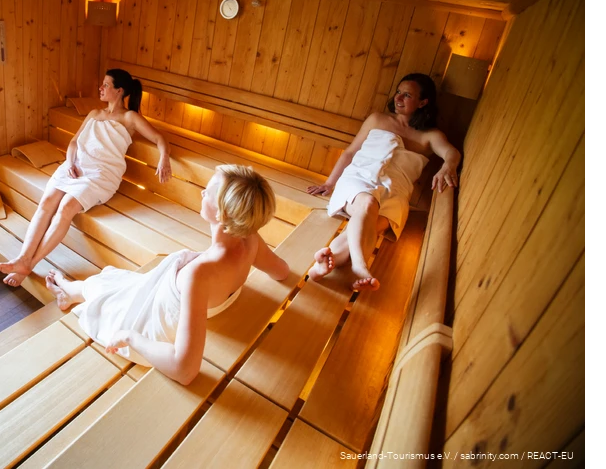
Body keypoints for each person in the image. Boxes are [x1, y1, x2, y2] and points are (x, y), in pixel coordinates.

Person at [42, 164, 301, 386]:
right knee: (113, 283)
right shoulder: (250, 240)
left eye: (208, 192)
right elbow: (281, 271)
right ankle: (70, 291)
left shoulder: (200, 274)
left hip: (154, 319)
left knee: (110, 298)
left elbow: (185, 370)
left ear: (222, 214)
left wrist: (131, 337)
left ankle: (69, 293)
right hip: (178, 295)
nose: (202, 192)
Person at [0, 69, 172, 286]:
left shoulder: (129, 118)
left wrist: (164, 158)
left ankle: (29, 265)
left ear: (119, 90)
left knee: (66, 207)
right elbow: (73, 143)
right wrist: (70, 162)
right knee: (46, 202)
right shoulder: (94, 114)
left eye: (106, 85)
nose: (100, 88)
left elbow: (159, 138)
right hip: (75, 166)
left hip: (101, 174)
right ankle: (23, 258)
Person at [306, 73, 461, 291]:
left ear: (423, 102)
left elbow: (451, 153)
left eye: (407, 95)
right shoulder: (378, 119)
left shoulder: (430, 135)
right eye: (398, 92)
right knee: (368, 204)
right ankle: (360, 267)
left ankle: (319, 268)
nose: (398, 98)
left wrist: (448, 166)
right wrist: (330, 183)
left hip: (395, 192)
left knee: (373, 225)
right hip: (359, 179)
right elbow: (350, 153)